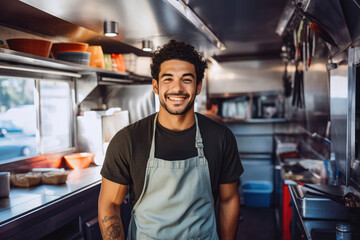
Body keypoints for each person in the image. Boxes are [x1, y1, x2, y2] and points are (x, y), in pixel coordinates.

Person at [98, 39, 243, 240]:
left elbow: (229, 200)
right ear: (156, 86)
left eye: (187, 79)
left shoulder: (220, 137)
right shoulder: (128, 140)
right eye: (168, 79)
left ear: (198, 86)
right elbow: (109, 204)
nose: (177, 88)